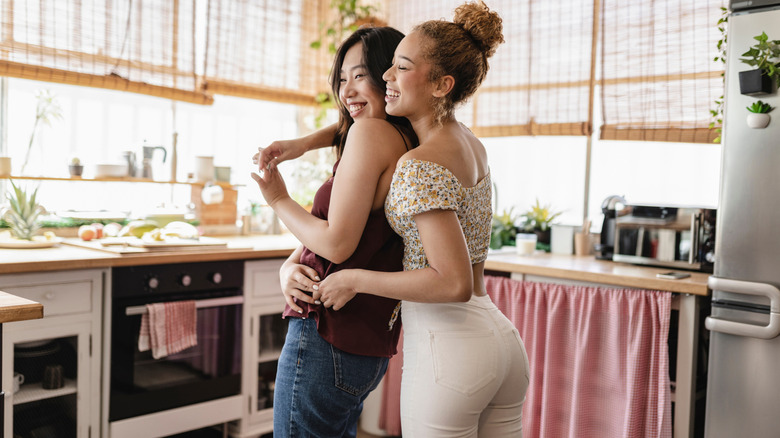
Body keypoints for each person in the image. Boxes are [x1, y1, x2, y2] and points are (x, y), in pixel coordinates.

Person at [312, 2, 531, 436]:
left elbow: (452, 283)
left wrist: (353, 279)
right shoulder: (468, 143)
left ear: (441, 85)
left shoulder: (419, 163)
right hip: (500, 341)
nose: (387, 78)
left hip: (449, 351)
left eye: (401, 68)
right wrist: (305, 142)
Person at [251, 26, 417, 437]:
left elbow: (338, 244)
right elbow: (352, 234)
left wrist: (277, 200)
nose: (347, 91)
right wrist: (289, 267)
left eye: (360, 75)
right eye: (341, 79)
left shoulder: (370, 134)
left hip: (326, 334)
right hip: (364, 342)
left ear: (390, 73)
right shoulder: (407, 137)